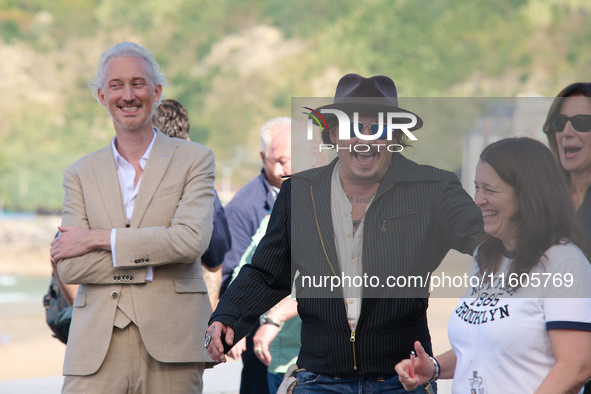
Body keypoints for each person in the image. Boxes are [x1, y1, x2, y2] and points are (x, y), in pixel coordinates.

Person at [206, 74, 483, 393]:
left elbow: (487, 240)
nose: (363, 140)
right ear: (334, 134)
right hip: (320, 379)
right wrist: (227, 315)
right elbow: (268, 273)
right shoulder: (300, 191)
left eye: (376, 128)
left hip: (402, 379)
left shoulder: (434, 188)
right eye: (352, 128)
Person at [50, 42, 215, 394]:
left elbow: (190, 241)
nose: (128, 95)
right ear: (101, 95)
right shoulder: (78, 173)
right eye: (116, 85)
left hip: (173, 343)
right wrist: (155, 260)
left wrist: (99, 239)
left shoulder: (195, 160)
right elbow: (70, 267)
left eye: (138, 84)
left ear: (156, 92)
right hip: (94, 348)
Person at [395, 137, 591, 393]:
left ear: (527, 195)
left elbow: (576, 367)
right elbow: (486, 346)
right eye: (477, 187)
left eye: (490, 190)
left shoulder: (564, 262)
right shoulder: (484, 257)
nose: (477, 200)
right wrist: (434, 367)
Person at [221, 117, 292, 394]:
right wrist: (234, 320)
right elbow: (235, 272)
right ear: (264, 157)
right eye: (281, 160)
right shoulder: (243, 207)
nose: (288, 167)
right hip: (259, 333)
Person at [153, 98, 232, 308]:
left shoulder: (120, 178)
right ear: (187, 141)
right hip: (181, 312)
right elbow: (214, 264)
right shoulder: (202, 190)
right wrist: (206, 328)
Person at [543, 83, 591, 393]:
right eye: (561, 123)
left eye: (582, 122)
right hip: (547, 361)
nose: (567, 132)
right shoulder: (542, 199)